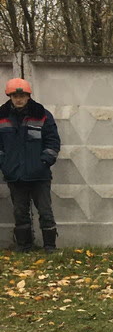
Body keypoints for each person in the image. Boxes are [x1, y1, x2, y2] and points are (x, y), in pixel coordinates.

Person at [0, 78, 61, 252]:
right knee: (20, 212)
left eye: (22, 95)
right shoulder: (1, 116)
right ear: (10, 96)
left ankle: (50, 246)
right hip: (15, 175)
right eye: (15, 95)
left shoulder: (42, 114)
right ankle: (24, 246)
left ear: (28, 96)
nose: (18, 99)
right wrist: (4, 164)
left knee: (45, 211)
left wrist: (44, 162)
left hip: (39, 175)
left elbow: (53, 142)